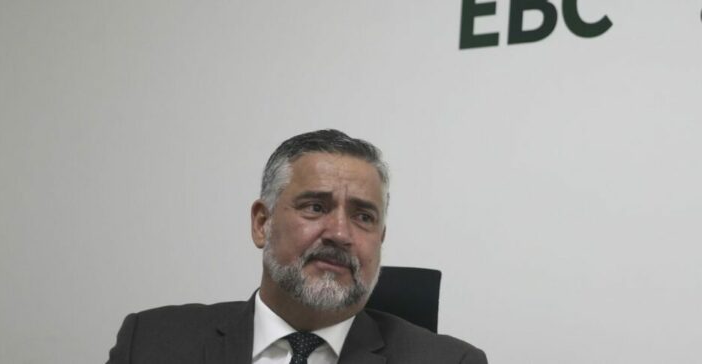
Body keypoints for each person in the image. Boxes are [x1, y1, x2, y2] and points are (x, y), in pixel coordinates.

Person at [106, 129, 488, 364]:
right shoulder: (151, 342)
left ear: (381, 240)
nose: (340, 233)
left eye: (363, 216)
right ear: (262, 223)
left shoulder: (452, 362)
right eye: (315, 207)